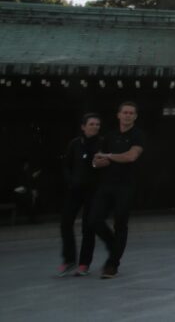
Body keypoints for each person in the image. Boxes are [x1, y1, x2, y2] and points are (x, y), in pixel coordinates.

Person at [90, 101, 146, 279]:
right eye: (125, 112)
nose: (128, 115)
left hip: (126, 185)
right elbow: (98, 161)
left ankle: (112, 264)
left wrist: (108, 157)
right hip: (107, 184)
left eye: (131, 113)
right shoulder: (110, 136)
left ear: (135, 117)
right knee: (93, 220)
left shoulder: (138, 135)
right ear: (118, 115)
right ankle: (114, 245)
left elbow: (131, 156)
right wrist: (99, 160)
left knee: (120, 223)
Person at [59, 112, 102, 277]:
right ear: (83, 127)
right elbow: (66, 165)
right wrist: (70, 181)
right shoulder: (75, 144)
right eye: (92, 124)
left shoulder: (102, 143)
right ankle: (69, 259)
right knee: (65, 223)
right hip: (75, 190)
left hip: (94, 191)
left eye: (97, 124)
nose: (95, 127)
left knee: (88, 227)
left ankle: (84, 263)